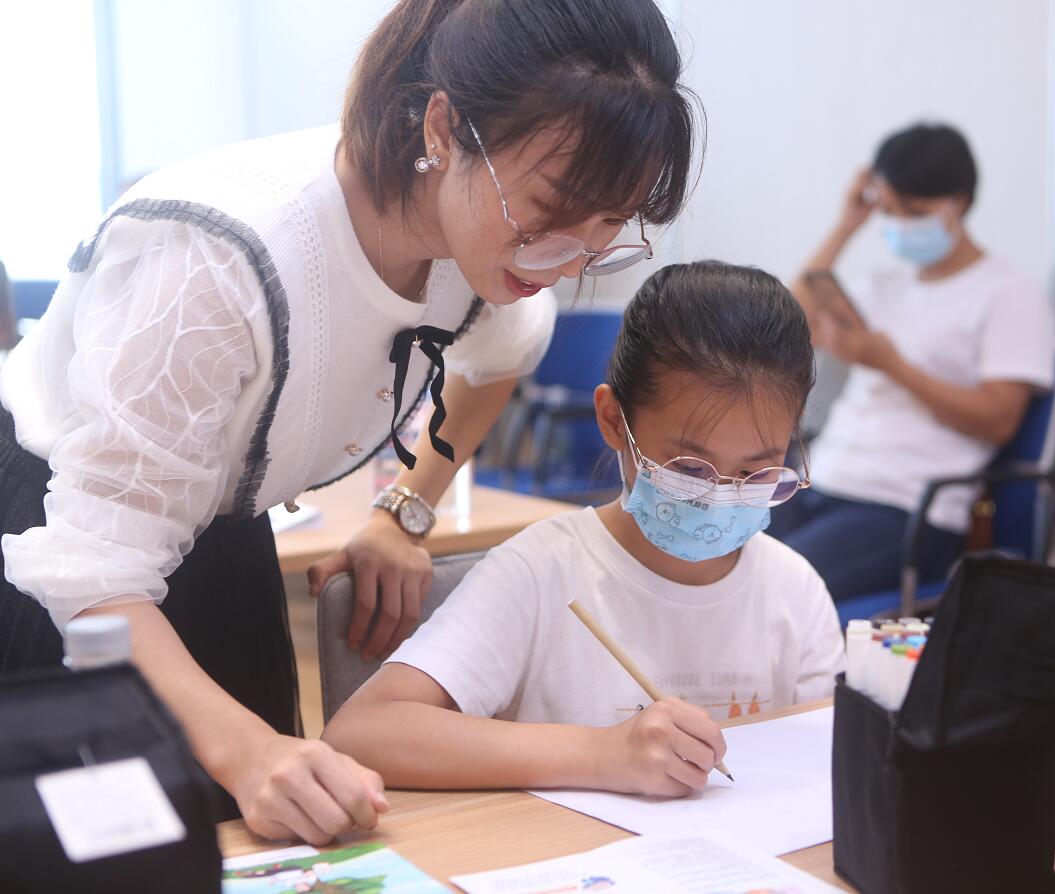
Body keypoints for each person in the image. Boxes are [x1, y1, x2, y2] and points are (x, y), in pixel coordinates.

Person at [0, 0, 697, 844]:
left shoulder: (480, 246)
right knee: (102, 845)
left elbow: (504, 354)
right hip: (56, 541)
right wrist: (249, 752)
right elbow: (92, 570)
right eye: (550, 208)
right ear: (444, 128)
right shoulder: (217, 263)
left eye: (610, 226)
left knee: (266, 833)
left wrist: (405, 511)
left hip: (221, 531)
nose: (567, 260)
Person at [322, 261, 845, 796]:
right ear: (614, 420)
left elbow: (827, 760)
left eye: (758, 473)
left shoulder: (794, 591)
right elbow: (361, 734)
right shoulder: (541, 572)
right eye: (689, 469)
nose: (718, 499)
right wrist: (600, 755)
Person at [772, 123, 1055, 603]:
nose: (900, 223)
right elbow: (780, 325)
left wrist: (894, 368)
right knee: (713, 559)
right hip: (821, 480)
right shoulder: (883, 287)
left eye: (915, 212)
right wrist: (845, 226)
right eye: (889, 210)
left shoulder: (1008, 294)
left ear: (958, 203)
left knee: (776, 590)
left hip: (905, 508)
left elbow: (999, 420)